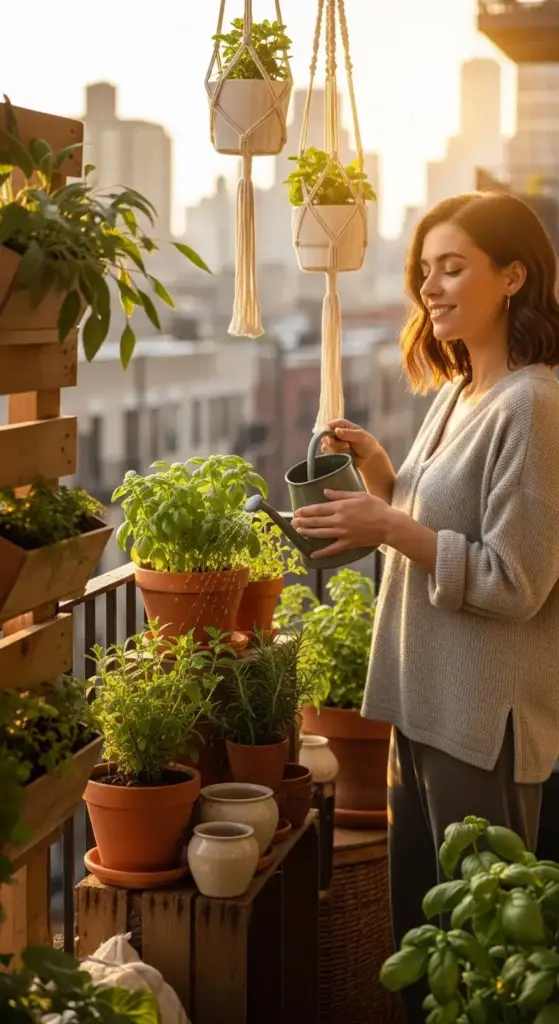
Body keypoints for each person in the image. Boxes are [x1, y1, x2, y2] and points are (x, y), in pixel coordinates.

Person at [291, 191, 559, 1022]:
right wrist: (381, 476)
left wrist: (389, 524)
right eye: (424, 270)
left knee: (481, 965)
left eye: (452, 268)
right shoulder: (456, 391)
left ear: (512, 276)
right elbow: (434, 519)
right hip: (421, 703)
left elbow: (513, 581)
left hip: (479, 723)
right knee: (423, 941)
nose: (430, 288)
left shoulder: (533, 404)